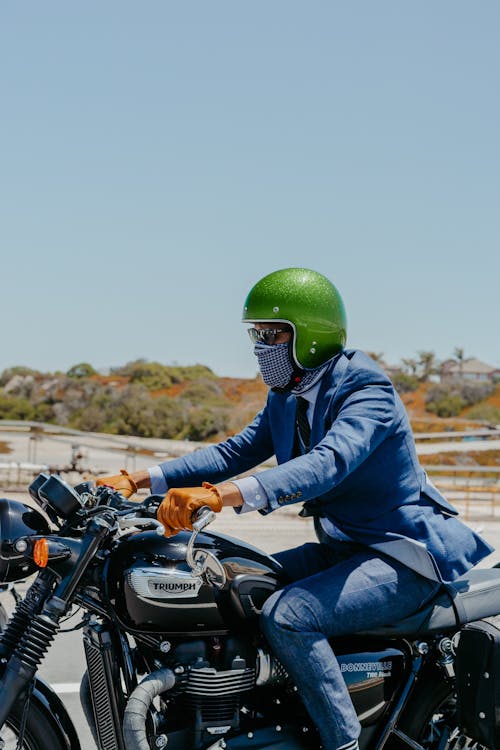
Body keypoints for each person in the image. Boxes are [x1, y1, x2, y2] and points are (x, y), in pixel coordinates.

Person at [97, 267, 493, 750]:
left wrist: (223, 496)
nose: (260, 345)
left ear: (309, 334)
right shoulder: (288, 395)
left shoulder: (367, 390)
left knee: (291, 615)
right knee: (240, 584)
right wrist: (143, 478)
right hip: (349, 549)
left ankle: (342, 742)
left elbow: (329, 462)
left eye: (271, 333)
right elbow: (235, 450)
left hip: (403, 555)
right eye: (256, 334)